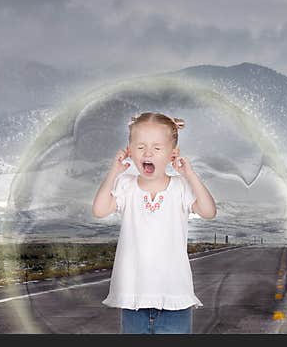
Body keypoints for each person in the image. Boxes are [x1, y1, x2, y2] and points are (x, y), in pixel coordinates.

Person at [92, 111, 217, 334]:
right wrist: (114, 171)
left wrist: (189, 174)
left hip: (175, 297)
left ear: (172, 154)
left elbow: (208, 211)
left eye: (157, 148)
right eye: (140, 147)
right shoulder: (126, 185)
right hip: (134, 298)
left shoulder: (180, 187)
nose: (148, 153)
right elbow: (100, 210)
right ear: (129, 151)